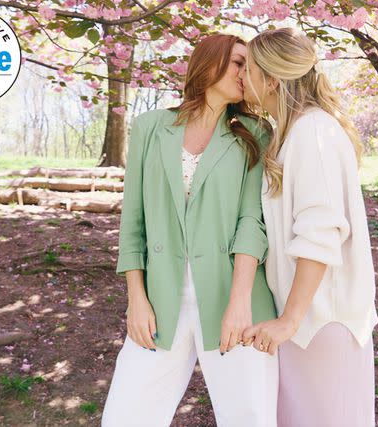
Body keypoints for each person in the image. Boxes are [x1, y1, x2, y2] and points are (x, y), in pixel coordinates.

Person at [101, 34, 278, 427]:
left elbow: (252, 221)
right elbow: (133, 222)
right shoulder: (150, 127)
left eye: (248, 66)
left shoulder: (255, 133)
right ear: (209, 64)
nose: (246, 73)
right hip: (161, 301)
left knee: (249, 418)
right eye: (237, 63)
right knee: (125, 416)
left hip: (235, 298)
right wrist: (137, 298)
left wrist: (240, 301)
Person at [240, 27, 378, 427]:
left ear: (271, 79)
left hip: (321, 321)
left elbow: (321, 233)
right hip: (308, 322)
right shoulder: (295, 132)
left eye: (247, 67)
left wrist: (290, 319)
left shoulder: (312, 132)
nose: (241, 77)